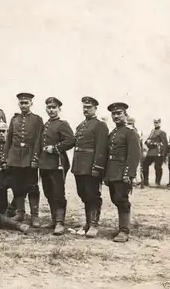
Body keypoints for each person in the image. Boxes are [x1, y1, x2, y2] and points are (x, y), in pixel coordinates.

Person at [2, 92, 43, 227]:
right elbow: (9, 140)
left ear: (31, 104)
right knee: (17, 186)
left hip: (29, 157)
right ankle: (20, 213)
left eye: (26, 103)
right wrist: (5, 157)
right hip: (15, 157)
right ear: (18, 104)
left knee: (32, 186)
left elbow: (38, 140)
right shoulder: (14, 119)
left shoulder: (37, 119)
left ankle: (34, 216)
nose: (24, 105)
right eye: (22, 103)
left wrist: (35, 158)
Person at [71, 96, 109, 238]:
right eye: (84, 107)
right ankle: (87, 223)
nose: (86, 109)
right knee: (83, 194)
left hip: (91, 167)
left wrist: (97, 167)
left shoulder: (100, 125)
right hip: (80, 167)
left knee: (92, 195)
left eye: (89, 107)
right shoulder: (81, 125)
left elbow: (101, 148)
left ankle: (94, 224)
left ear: (95, 108)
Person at [38, 97, 75, 235]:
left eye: (54, 108)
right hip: (45, 164)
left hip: (57, 163)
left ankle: (60, 222)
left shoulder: (62, 124)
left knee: (58, 192)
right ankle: (54, 220)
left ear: (59, 109)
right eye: (49, 108)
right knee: (48, 192)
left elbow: (71, 140)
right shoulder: (46, 124)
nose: (51, 110)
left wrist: (55, 148)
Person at [104, 102, 140, 242]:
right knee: (115, 199)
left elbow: (134, 155)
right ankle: (121, 227)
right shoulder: (113, 132)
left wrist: (128, 174)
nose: (116, 116)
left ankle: (124, 231)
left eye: (119, 113)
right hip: (112, 171)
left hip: (122, 172)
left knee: (122, 199)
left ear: (126, 115)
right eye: (113, 114)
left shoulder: (130, 132)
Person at [141, 118, 169, 187]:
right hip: (150, 152)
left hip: (158, 152)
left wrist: (164, 154)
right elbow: (147, 141)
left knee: (158, 167)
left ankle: (157, 182)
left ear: (160, 123)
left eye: (157, 122)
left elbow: (165, 144)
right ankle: (145, 181)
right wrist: (148, 143)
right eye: (155, 122)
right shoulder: (152, 132)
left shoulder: (162, 132)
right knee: (144, 165)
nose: (156, 124)